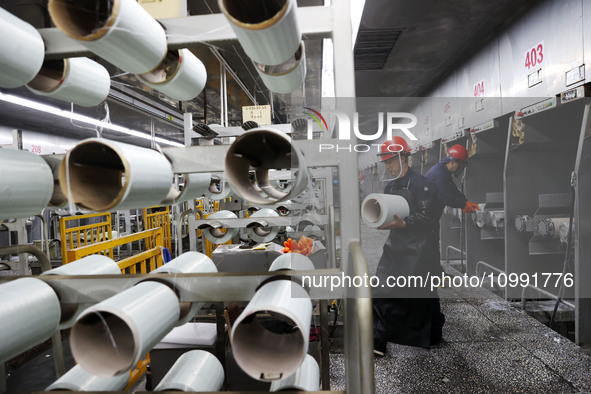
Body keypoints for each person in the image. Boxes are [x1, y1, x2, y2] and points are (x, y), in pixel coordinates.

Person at [372, 137, 445, 355]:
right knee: (382, 290)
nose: (388, 166)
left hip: (419, 250)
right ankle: (379, 338)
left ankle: (433, 333)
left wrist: (406, 223)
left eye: (390, 161)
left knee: (423, 295)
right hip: (396, 246)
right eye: (385, 162)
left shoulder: (424, 186)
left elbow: (430, 218)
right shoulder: (391, 186)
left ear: (404, 157)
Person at [425, 144, 479, 214]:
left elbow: (453, 189)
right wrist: (463, 205)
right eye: (460, 165)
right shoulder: (439, 174)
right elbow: (446, 197)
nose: (461, 168)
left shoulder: (443, 170)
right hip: (425, 214)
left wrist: (466, 201)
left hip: (429, 213)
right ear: (452, 162)